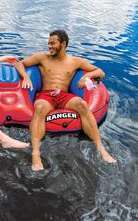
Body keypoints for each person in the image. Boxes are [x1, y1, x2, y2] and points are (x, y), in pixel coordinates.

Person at [14, 29, 117, 171]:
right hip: (46, 95)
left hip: (64, 95)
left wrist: (88, 76)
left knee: (82, 104)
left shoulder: (75, 62)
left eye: (52, 43)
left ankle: (101, 148)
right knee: (40, 108)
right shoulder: (42, 57)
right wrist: (25, 76)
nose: (49, 46)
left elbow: (101, 72)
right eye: (48, 43)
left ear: (63, 44)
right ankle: (36, 154)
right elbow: (19, 64)